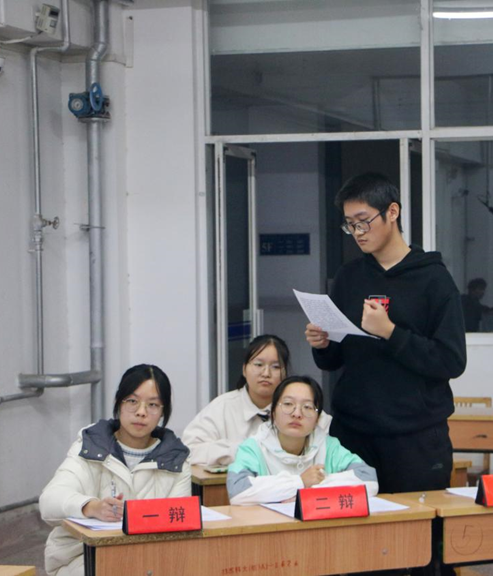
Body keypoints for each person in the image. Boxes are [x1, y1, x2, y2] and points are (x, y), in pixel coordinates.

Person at [304, 173, 466, 493]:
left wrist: (391, 333)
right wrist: (322, 344)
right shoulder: (349, 276)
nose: (357, 233)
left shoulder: (434, 279)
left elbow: (451, 361)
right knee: (349, 521)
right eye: (350, 224)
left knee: (415, 523)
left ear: (392, 212)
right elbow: (333, 361)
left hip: (415, 438)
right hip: (352, 433)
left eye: (363, 221)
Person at [40, 365, 190, 576]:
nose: (141, 412)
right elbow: (49, 501)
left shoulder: (176, 460)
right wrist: (92, 507)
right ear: (118, 403)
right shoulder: (91, 446)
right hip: (83, 556)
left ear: (162, 412)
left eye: (153, 405)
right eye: (132, 401)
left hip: (152, 560)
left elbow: (179, 528)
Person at [227, 376, 378, 504]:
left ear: (317, 419)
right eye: (288, 404)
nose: (297, 413)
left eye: (307, 407)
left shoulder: (329, 446)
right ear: (273, 412)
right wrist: (300, 482)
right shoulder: (253, 448)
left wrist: (306, 493)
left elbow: (369, 480)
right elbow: (238, 492)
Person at [183, 335, 329, 467]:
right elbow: (188, 450)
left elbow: (330, 441)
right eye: (259, 365)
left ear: (285, 373)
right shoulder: (223, 407)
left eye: (275, 367)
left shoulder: (303, 409)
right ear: (244, 369)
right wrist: (245, 451)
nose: (266, 373)